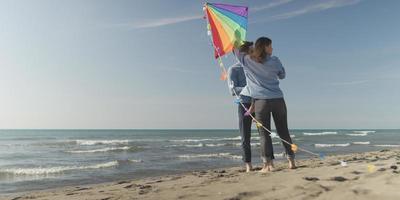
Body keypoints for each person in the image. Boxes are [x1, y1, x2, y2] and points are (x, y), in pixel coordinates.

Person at [237, 37, 296, 173]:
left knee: (264, 134)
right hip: (278, 100)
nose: (272, 48)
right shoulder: (275, 60)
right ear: (264, 47)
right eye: (270, 46)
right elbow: (282, 75)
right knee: (284, 131)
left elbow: (238, 51)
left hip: (260, 102)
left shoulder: (247, 60)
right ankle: (291, 160)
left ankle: (267, 165)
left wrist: (241, 42)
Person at [227, 41, 254, 172]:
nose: (252, 52)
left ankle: (268, 160)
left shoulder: (254, 66)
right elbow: (232, 90)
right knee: (245, 135)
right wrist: (249, 89)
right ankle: (248, 164)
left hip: (259, 101)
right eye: (250, 50)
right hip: (244, 104)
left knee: (264, 133)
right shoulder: (233, 69)